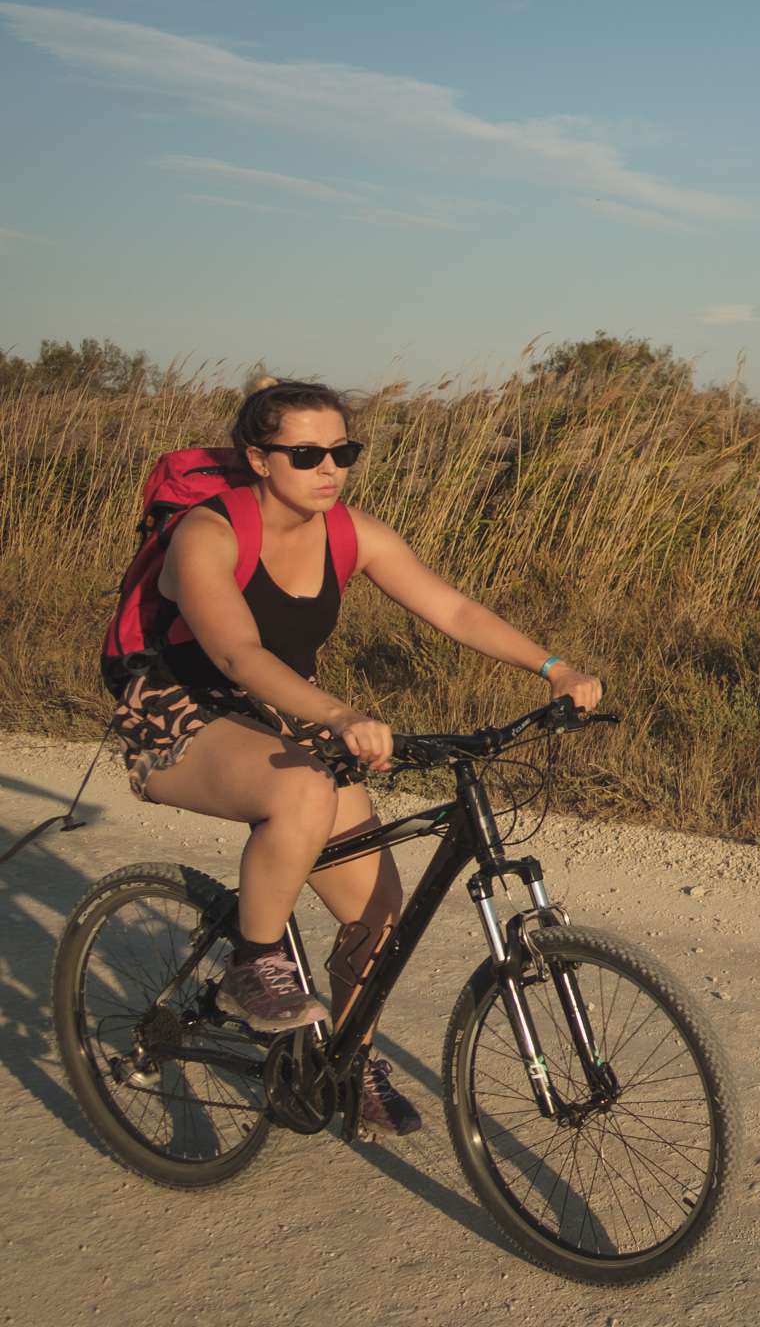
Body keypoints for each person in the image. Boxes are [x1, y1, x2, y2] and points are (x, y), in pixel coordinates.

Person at [105, 376, 603, 1138]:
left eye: (343, 451)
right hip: (178, 713)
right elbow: (237, 654)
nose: (329, 468)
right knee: (304, 789)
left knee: (376, 911)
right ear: (258, 459)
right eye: (306, 454)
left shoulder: (350, 532)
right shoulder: (207, 534)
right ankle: (255, 962)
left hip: (283, 714)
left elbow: (454, 609)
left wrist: (553, 668)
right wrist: (339, 714)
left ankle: (348, 1060)